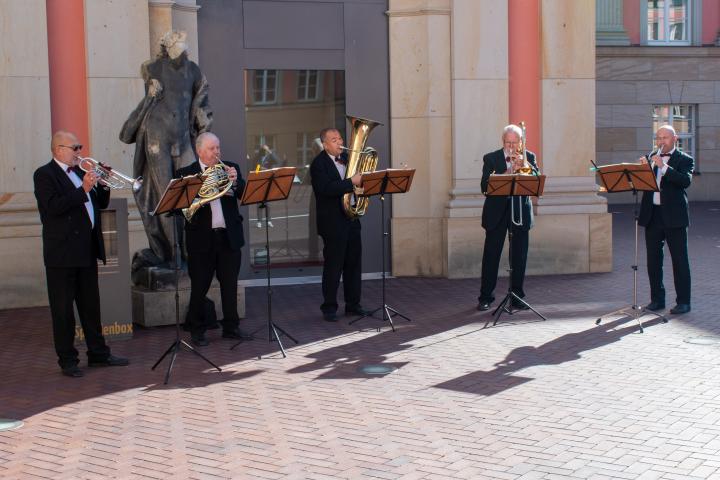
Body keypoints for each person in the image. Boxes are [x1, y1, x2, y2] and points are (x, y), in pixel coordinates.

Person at [33, 131, 129, 377]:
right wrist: (84, 189)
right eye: (74, 147)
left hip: (86, 250)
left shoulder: (78, 173)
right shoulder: (44, 175)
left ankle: (98, 353)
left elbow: (100, 204)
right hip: (62, 254)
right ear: (58, 150)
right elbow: (53, 208)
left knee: (91, 306)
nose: (79, 152)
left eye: (80, 146)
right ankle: (68, 361)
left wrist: (103, 184)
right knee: (63, 311)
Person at [120, 30, 212, 268]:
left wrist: (203, 129)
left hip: (182, 137)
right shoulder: (151, 67)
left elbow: (201, 100)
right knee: (166, 196)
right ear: (168, 45)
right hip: (157, 137)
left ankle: (189, 248)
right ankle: (171, 254)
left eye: (184, 44)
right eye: (179, 43)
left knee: (193, 191)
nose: (183, 48)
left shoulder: (193, 70)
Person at [176, 132, 250, 346]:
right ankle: (197, 330)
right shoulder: (186, 173)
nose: (216, 152)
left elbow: (243, 195)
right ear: (199, 151)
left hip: (228, 237)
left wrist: (236, 183)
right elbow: (182, 206)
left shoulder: (229, 167)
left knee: (230, 285)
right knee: (199, 286)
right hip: (201, 240)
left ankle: (231, 327)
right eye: (211, 148)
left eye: (218, 148)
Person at [477, 124, 540, 312]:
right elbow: (484, 187)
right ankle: (485, 297)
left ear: (520, 142)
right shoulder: (491, 158)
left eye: (515, 142)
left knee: (519, 257)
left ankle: (517, 296)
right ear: (502, 141)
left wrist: (523, 166)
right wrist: (505, 175)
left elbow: (536, 180)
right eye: (508, 142)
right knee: (491, 256)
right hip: (496, 214)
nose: (511, 146)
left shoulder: (529, 157)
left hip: (520, 212)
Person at [310, 127, 367, 322]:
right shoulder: (318, 164)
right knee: (334, 266)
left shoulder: (349, 160)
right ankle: (329, 307)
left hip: (351, 219)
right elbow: (326, 189)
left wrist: (360, 189)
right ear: (324, 144)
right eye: (334, 140)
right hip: (333, 223)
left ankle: (353, 304)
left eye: (340, 138)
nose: (339, 142)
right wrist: (352, 182)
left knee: (353, 264)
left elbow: (357, 185)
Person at [637, 124, 694, 314]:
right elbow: (638, 186)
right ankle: (657, 300)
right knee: (653, 260)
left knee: (679, 260)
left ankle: (684, 302)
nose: (661, 141)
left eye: (665, 138)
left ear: (674, 139)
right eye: (658, 138)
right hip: (653, 215)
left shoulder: (685, 159)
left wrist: (664, 167)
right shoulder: (650, 158)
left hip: (674, 216)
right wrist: (640, 171)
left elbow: (684, 181)